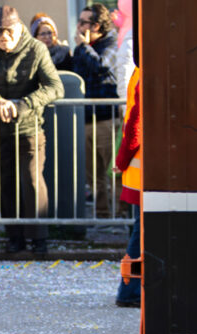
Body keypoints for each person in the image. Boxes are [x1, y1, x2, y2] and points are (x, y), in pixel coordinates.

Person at [0, 6, 64, 255]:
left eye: (9, 32)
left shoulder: (36, 48)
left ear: (19, 27)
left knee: (32, 179)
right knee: (6, 181)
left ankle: (38, 237)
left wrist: (23, 104)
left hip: (30, 125)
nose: (5, 38)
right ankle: (14, 236)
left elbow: (55, 87)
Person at [73, 4, 121, 219]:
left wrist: (83, 47)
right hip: (85, 118)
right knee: (93, 174)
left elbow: (102, 65)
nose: (79, 26)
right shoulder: (82, 48)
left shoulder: (113, 42)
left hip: (106, 119)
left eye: (83, 22)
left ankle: (121, 216)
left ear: (97, 25)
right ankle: (102, 215)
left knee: (113, 172)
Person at [114, 68, 142, 307]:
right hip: (146, 174)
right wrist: (121, 159)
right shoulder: (148, 73)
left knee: (140, 233)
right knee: (141, 235)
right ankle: (129, 291)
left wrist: (122, 160)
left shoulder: (139, 72)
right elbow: (136, 124)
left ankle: (130, 289)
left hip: (138, 172)